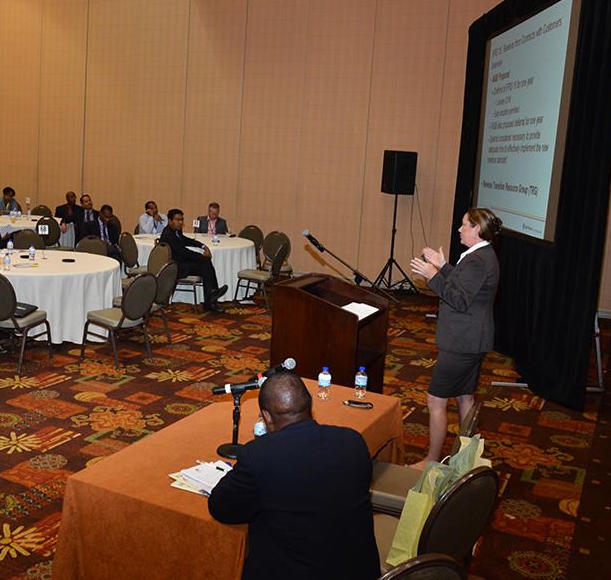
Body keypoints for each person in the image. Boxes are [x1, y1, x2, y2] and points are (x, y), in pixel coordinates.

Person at [208, 372, 380, 580]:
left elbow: (221, 508)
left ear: (267, 416)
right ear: (311, 402)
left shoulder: (259, 455)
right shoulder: (353, 440)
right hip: (361, 571)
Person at [408, 207, 502, 467]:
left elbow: (460, 300)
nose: (459, 229)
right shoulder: (482, 254)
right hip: (473, 339)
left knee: (435, 400)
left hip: (462, 342)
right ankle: (465, 459)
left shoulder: (477, 260)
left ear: (477, 229)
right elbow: (467, 287)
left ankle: (431, 461)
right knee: (464, 397)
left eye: (464, 225)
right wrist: (444, 267)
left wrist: (433, 277)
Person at [160, 208, 228, 313]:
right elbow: (183, 252)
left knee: (206, 266)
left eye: (181, 220)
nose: (180, 222)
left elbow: (186, 240)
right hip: (176, 266)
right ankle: (211, 300)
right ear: (170, 221)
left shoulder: (176, 231)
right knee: (206, 264)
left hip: (183, 262)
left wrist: (203, 246)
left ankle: (211, 297)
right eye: (177, 220)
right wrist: (201, 256)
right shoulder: (168, 234)